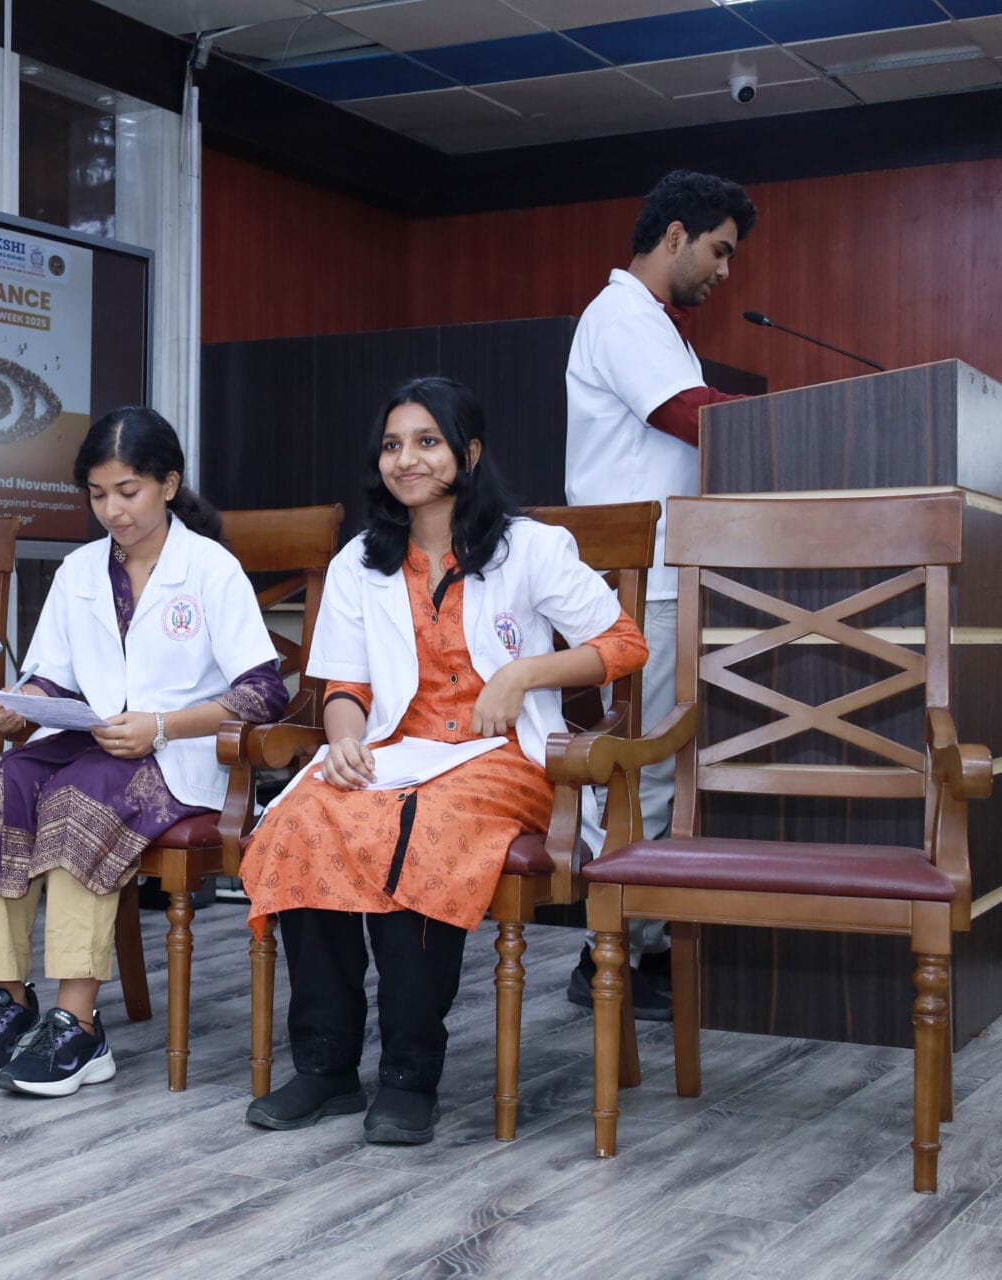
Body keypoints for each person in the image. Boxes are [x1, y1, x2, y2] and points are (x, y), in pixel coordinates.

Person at [238, 377, 647, 1144]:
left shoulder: (530, 547)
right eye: (393, 445)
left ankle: (409, 1075)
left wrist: (523, 674)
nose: (407, 460)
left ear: (470, 452)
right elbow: (345, 687)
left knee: (422, 826)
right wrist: (345, 737)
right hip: (397, 752)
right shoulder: (362, 562)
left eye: (427, 442)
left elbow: (624, 644)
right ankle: (326, 1066)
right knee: (304, 816)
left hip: (505, 759)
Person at [0, 406, 288, 1098]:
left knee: (75, 802)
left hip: (178, 756)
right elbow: (54, 676)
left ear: (169, 484)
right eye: (97, 495)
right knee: (3, 785)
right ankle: (8, 1001)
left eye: (128, 491)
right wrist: (20, 702)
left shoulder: (209, 568)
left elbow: (263, 692)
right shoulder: (79, 570)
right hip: (90, 742)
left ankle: (78, 1024)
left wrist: (163, 725)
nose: (112, 511)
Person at [564, 168, 757, 1018]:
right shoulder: (621, 316)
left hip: (664, 573)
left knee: (658, 762)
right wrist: (784, 422)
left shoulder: (658, 327)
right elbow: (688, 415)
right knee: (638, 763)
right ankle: (608, 954)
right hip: (637, 580)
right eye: (719, 249)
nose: (724, 271)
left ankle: (638, 943)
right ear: (675, 236)